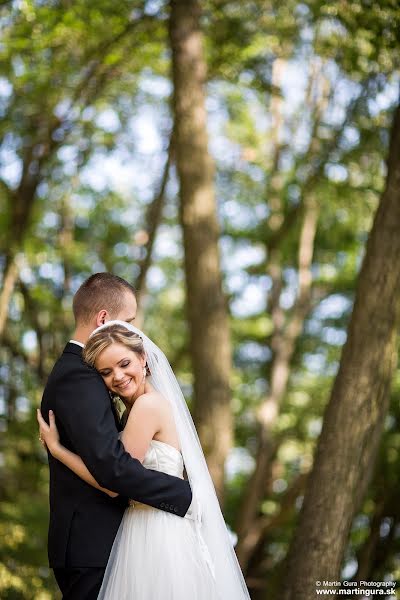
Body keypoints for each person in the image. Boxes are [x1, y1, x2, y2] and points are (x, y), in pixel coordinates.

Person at [38, 320, 251, 599]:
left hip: (156, 531)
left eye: (124, 363)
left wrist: (59, 451)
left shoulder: (147, 407)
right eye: (106, 371)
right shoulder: (139, 408)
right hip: (146, 522)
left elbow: (113, 482)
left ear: (143, 358)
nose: (118, 375)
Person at [39, 274, 193, 600]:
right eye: (129, 322)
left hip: (119, 540)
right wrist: (180, 494)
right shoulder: (79, 375)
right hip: (91, 545)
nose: (134, 332)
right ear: (104, 320)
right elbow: (112, 467)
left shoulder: (90, 375)